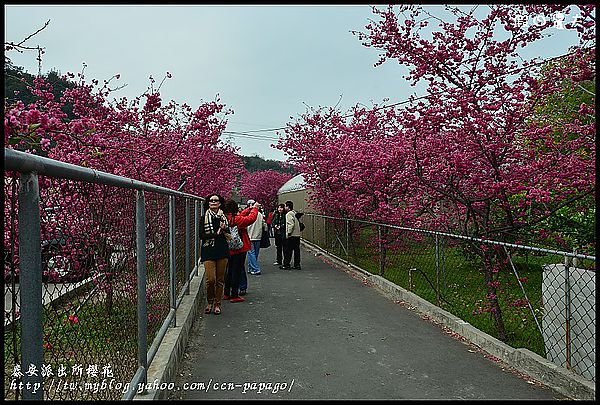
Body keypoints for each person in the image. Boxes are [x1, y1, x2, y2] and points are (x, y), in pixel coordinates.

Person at [222, 199, 259, 303]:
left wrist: (248, 209)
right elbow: (250, 219)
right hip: (239, 248)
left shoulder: (224, 218)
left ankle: (226, 293)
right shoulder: (236, 219)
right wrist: (255, 209)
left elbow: (242, 216)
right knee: (236, 271)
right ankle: (234, 294)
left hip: (227, 248)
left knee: (228, 271)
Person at [200, 194, 230, 315]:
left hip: (222, 250)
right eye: (211, 200)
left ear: (220, 203)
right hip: (208, 250)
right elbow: (202, 235)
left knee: (220, 279)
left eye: (216, 200)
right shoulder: (204, 218)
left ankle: (217, 304)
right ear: (208, 203)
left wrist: (224, 229)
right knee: (211, 279)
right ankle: (209, 301)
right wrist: (216, 234)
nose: (213, 202)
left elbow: (228, 233)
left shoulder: (224, 217)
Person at [245, 199, 267, 275]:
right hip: (258, 236)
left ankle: (255, 268)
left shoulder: (248, 214)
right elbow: (264, 225)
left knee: (251, 253)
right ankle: (251, 267)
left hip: (249, 236)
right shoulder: (260, 214)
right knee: (255, 253)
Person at [280, 200, 301, 270]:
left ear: (288, 207)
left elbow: (291, 224)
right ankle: (297, 264)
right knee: (296, 250)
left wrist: (288, 233)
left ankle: (286, 264)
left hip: (292, 235)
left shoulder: (289, 214)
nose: (284, 207)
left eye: (285, 206)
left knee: (288, 251)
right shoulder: (294, 213)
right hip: (297, 235)